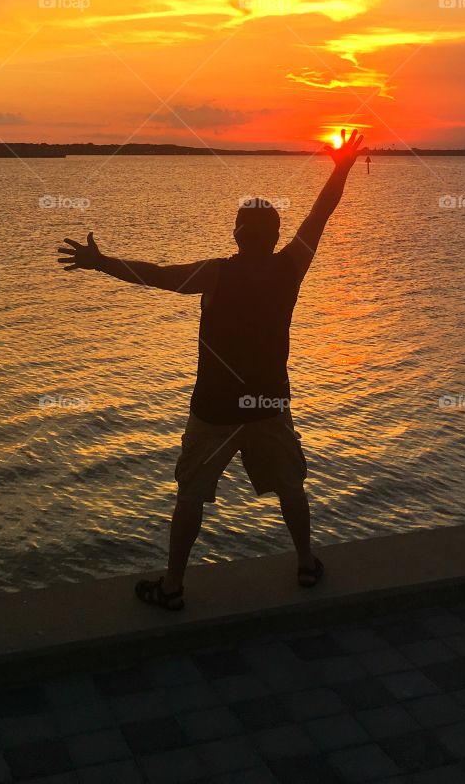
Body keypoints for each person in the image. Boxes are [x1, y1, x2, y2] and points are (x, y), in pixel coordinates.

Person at [57, 129, 364, 610]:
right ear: (276, 236)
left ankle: (173, 586)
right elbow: (321, 214)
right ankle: (306, 565)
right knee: (289, 486)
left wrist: (101, 263)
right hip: (267, 404)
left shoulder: (217, 274)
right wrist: (340, 168)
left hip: (216, 410)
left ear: (236, 234)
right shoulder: (291, 268)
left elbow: (154, 276)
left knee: (192, 497)